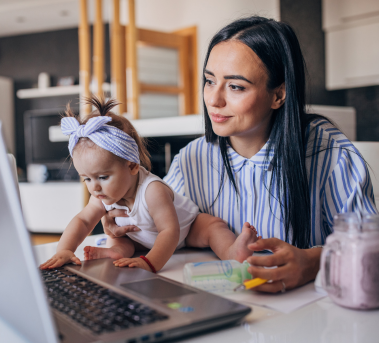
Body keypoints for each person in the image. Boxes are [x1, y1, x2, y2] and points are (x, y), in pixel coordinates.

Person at [102, 16, 377, 291]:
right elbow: (168, 234)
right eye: (210, 81)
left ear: (278, 94)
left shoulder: (330, 155)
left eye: (236, 86)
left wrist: (313, 262)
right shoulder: (191, 161)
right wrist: (130, 234)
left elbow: (371, 251)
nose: (213, 99)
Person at [39, 96, 258, 273]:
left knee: (213, 227)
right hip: (141, 239)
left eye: (103, 177)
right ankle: (115, 253)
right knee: (119, 239)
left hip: (186, 229)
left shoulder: (152, 191)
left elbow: (169, 232)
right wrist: (65, 249)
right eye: (86, 178)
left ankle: (232, 251)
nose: (94, 187)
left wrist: (150, 262)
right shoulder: (100, 194)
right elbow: (83, 220)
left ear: (132, 166)